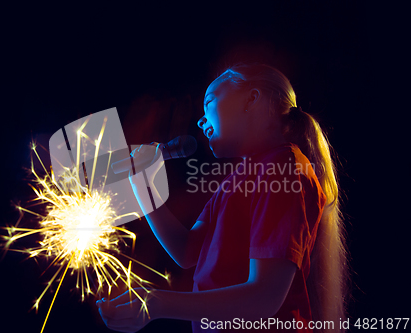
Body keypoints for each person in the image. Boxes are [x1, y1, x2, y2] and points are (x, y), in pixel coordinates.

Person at [97, 63, 349, 332]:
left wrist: (156, 303)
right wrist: (140, 183)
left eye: (209, 102)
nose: (200, 120)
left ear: (252, 99)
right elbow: (186, 251)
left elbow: (264, 297)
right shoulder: (241, 178)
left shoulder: (284, 169)